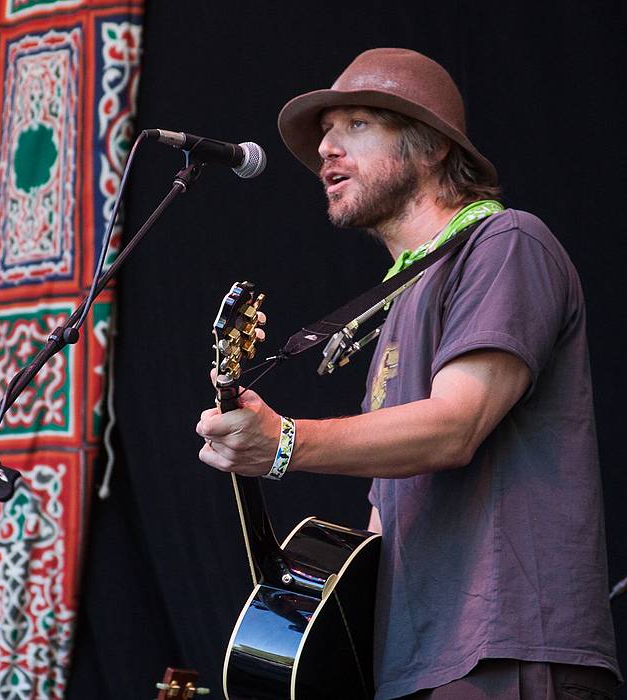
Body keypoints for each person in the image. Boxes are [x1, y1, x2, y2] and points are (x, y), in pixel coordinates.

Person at [196, 48, 620, 699]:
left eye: (357, 125)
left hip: (505, 649)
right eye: (325, 136)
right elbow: (384, 519)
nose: (327, 150)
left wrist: (283, 443)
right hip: (415, 667)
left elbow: (455, 425)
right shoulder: (396, 306)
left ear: (429, 148)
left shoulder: (505, 243)